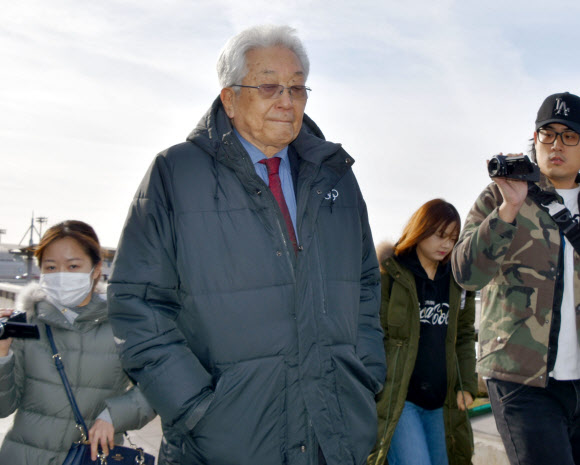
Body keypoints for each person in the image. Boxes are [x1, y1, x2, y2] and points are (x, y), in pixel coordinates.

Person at [107, 24, 386, 465]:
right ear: (229, 98)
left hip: (330, 437)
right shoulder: (176, 174)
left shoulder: (335, 178)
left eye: (297, 88)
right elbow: (137, 304)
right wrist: (197, 407)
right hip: (223, 442)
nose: (287, 100)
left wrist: (364, 376)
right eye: (270, 86)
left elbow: (367, 286)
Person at [452, 92, 580, 465]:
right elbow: (466, 274)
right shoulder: (500, 195)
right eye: (548, 134)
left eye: (570, 135)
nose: (557, 144)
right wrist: (508, 209)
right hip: (520, 379)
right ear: (535, 139)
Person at [0, 220, 155, 464]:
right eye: (51, 267)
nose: (61, 275)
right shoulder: (27, 322)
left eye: (73, 266)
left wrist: (114, 415)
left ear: (95, 270)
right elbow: (3, 407)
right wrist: (2, 353)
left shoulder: (123, 325)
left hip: (90, 457)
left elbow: (157, 384)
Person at [367, 199, 477, 465]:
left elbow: (463, 337)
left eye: (452, 238)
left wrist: (468, 386)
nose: (446, 245)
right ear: (420, 229)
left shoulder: (458, 281)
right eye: (440, 236)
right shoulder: (390, 274)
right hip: (400, 400)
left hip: (442, 403)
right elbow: (372, 333)